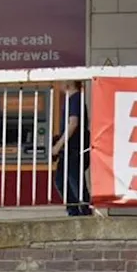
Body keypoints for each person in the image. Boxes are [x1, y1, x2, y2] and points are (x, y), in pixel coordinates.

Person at [51, 81, 93, 216]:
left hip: (75, 148)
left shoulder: (76, 99)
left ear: (67, 84)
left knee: (74, 181)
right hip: (70, 148)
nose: (57, 84)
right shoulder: (72, 100)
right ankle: (74, 210)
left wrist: (58, 145)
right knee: (62, 180)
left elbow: (73, 123)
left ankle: (84, 210)